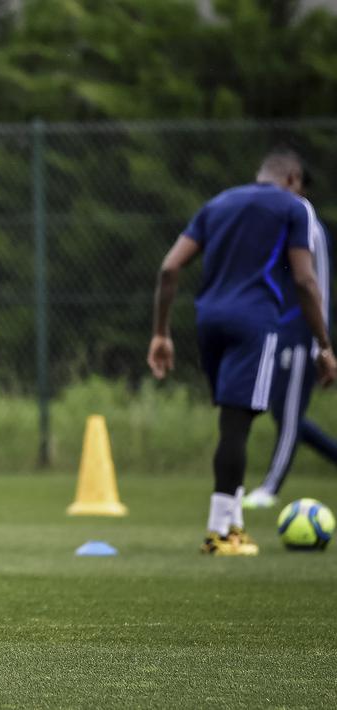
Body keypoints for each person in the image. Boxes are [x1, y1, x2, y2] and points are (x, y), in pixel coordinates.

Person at [147, 147, 336, 556]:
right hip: (255, 324)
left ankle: (233, 525)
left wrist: (161, 333)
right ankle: (220, 533)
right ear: (292, 179)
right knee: (238, 425)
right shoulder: (294, 207)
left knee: (233, 421)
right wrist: (324, 344)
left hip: (209, 320)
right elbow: (305, 281)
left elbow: (169, 268)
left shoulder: (218, 203)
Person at [244, 188, 337, 509]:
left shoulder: (310, 228)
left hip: (303, 335)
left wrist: (320, 343)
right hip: (279, 332)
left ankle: (270, 487)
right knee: (283, 412)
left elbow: (317, 285)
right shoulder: (277, 228)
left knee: (291, 412)